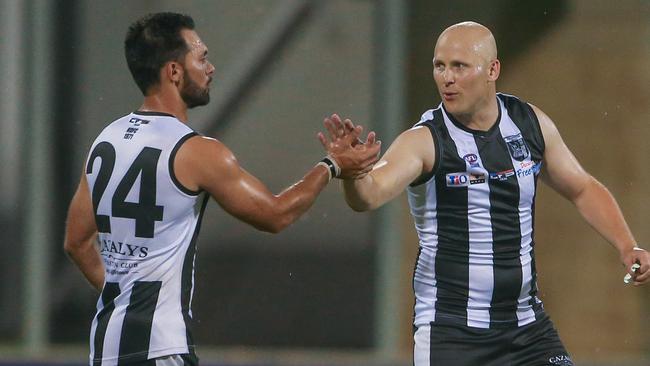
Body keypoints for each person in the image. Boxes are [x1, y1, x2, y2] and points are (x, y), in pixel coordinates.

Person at [64, 12, 380, 366]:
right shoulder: (198, 151)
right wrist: (332, 165)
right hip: (161, 350)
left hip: (106, 348)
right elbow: (276, 214)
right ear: (173, 71)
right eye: (201, 58)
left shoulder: (106, 140)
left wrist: (124, 297)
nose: (210, 68)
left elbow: (76, 242)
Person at [329, 21, 650, 366]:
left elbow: (582, 187)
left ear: (492, 70)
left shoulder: (528, 123)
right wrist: (354, 176)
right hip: (452, 334)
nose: (446, 78)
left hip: (527, 328)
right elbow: (370, 195)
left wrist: (626, 243)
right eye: (440, 66)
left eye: (459, 66)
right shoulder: (424, 140)